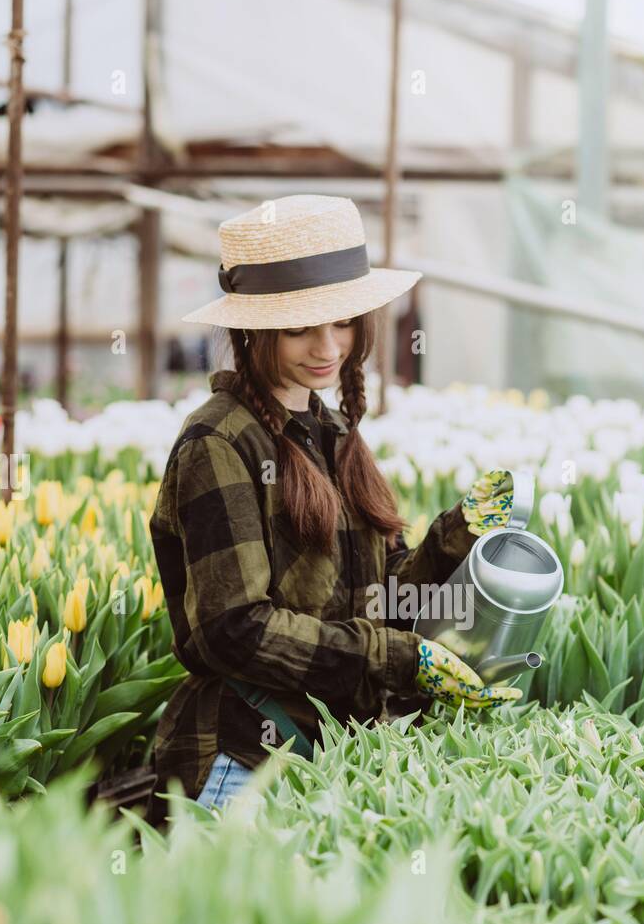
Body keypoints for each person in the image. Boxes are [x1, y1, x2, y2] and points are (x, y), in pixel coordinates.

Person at [147, 194, 521, 820]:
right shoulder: (219, 441)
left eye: (342, 321)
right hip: (243, 762)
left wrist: (453, 539)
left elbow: (380, 596)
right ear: (252, 328)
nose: (328, 345)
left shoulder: (334, 433)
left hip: (332, 758)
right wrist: (395, 659)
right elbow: (233, 628)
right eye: (299, 327)